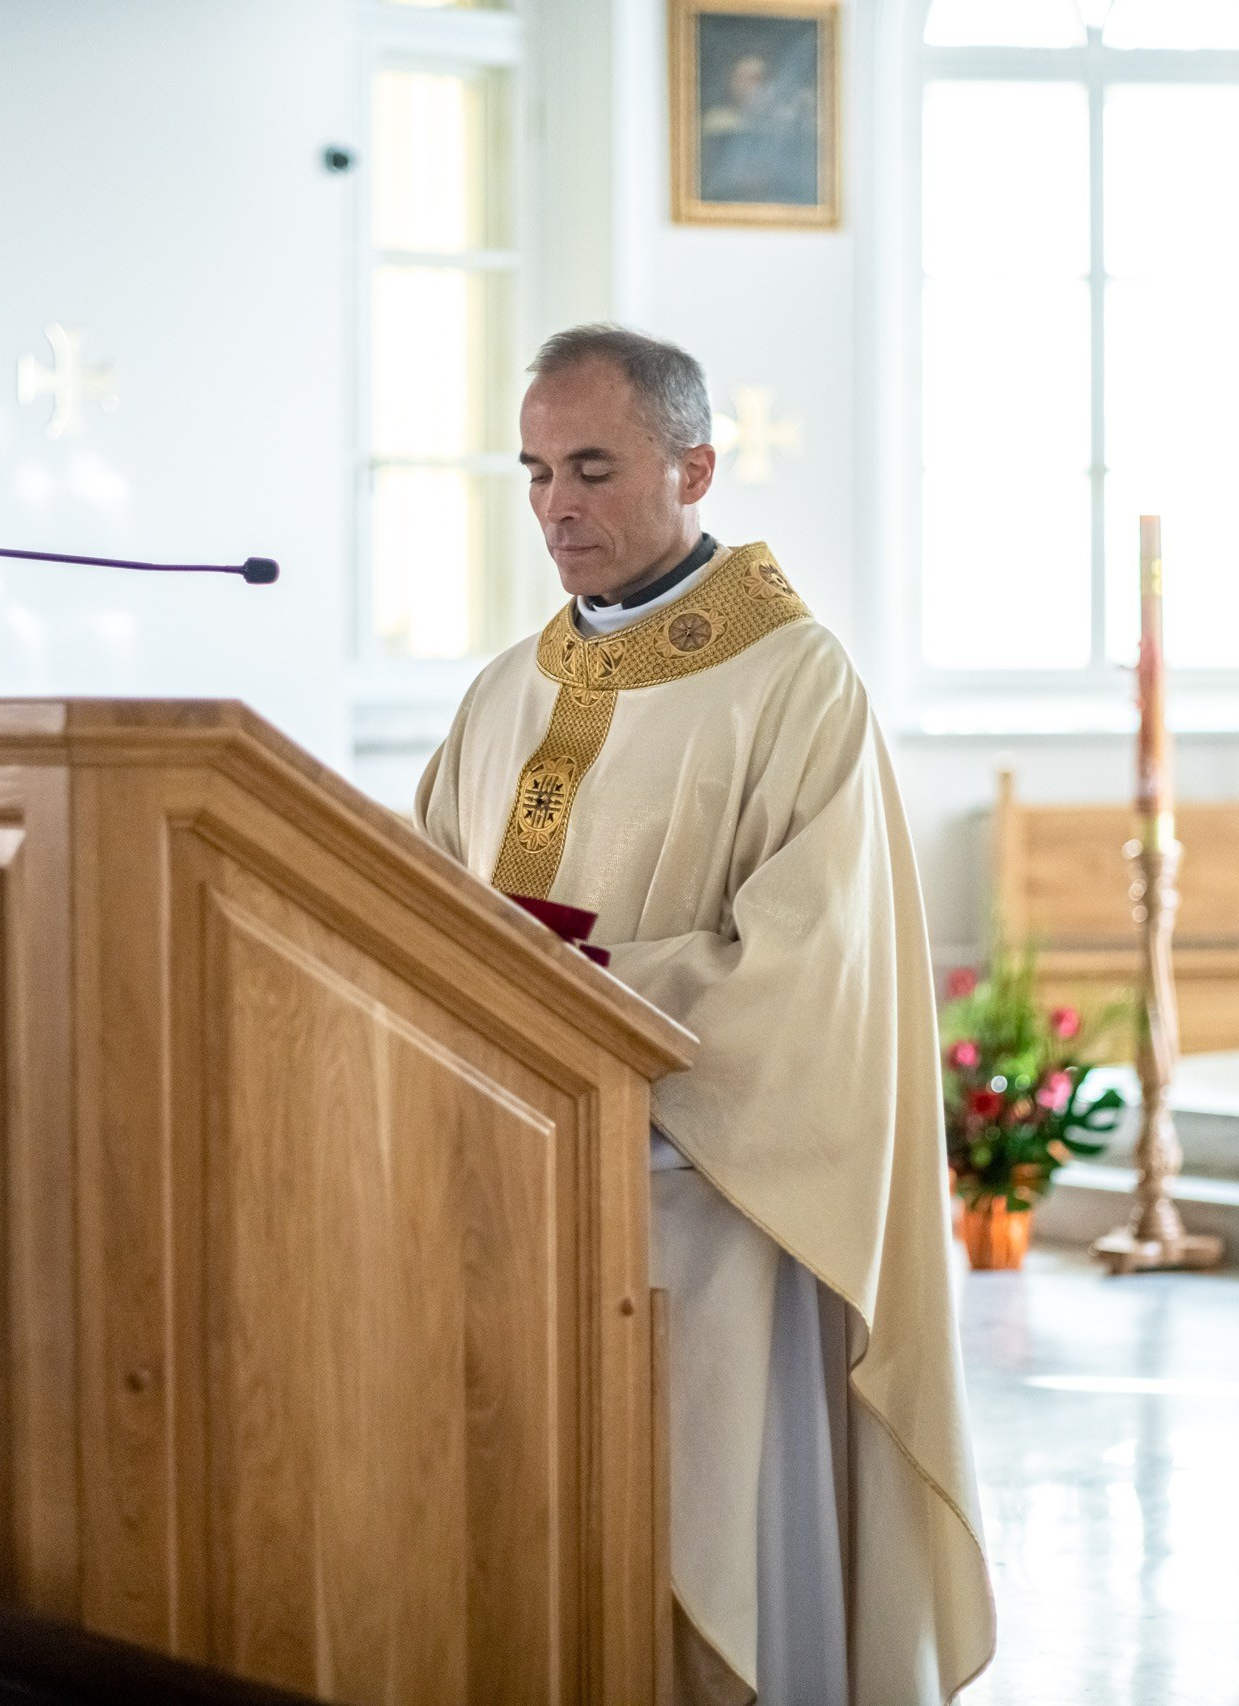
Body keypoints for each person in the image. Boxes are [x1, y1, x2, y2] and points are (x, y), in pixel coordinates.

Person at [415, 325, 992, 1704]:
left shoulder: (796, 684)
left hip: (707, 1204)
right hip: (508, 1196)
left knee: (698, 1548)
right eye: (537, 470)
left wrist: (585, 988)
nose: (559, 506)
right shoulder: (505, 691)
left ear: (696, 466)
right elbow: (416, 909)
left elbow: (812, 979)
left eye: (595, 468)